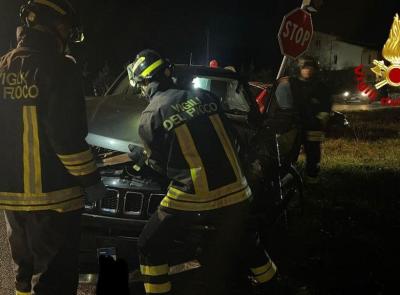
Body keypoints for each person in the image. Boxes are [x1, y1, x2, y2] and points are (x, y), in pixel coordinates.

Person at [127, 49, 277, 295]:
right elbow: (230, 138)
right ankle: (273, 285)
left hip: (194, 195)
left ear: (144, 84)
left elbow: (159, 169)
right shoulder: (207, 97)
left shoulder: (151, 115)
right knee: (247, 242)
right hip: (238, 189)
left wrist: (138, 160)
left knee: (149, 244)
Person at [0, 1, 107, 294]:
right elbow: (67, 139)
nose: (67, 36)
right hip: (55, 199)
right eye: (67, 29)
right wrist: (91, 180)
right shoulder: (61, 68)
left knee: (24, 274)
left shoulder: (2, 67)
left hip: (12, 199)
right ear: (55, 26)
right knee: (53, 282)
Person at [275, 55, 332, 184]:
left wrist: (321, 118)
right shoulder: (292, 83)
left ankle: (312, 178)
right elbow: (284, 96)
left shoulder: (320, 86)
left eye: (310, 68)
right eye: (305, 68)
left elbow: (326, 104)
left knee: (313, 154)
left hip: (313, 126)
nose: (308, 70)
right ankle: (286, 175)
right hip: (295, 124)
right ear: (300, 69)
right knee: (290, 151)